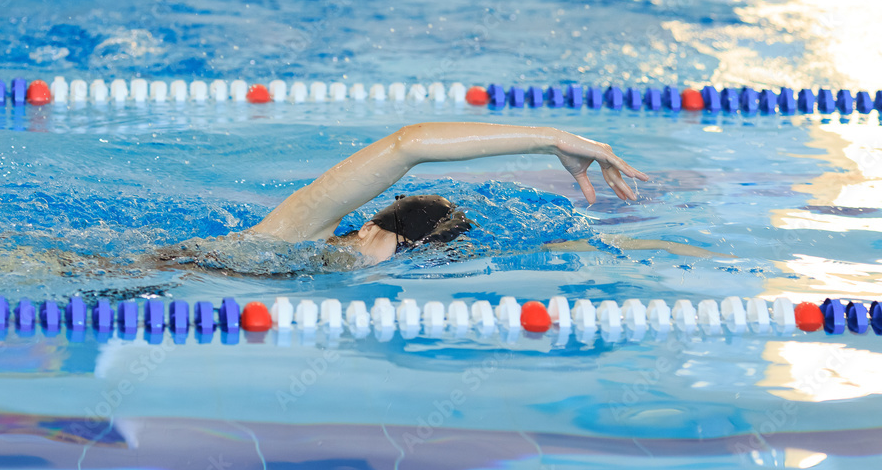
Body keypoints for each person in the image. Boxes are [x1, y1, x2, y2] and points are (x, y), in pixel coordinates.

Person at [238, 121, 651, 265]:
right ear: (366, 228)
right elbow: (408, 144)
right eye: (399, 248)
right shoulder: (292, 235)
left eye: (410, 256)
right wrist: (552, 140)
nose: (395, 262)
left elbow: (577, 248)